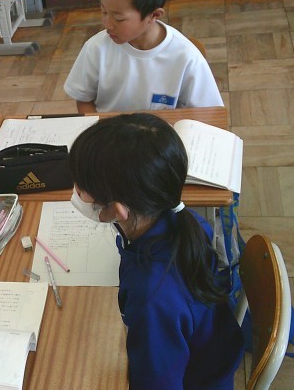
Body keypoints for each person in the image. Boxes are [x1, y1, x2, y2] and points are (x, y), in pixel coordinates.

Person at [68, 113, 243, 390]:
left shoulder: (151, 300)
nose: (75, 190)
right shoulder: (185, 219)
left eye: (81, 186)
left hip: (197, 379)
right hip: (210, 350)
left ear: (118, 211)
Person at [64, 0, 223, 113]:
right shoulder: (96, 48)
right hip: (108, 128)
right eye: (104, 12)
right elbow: (84, 99)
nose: (107, 24)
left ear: (154, 15)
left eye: (119, 18)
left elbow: (208, 114)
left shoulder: (186, 57)